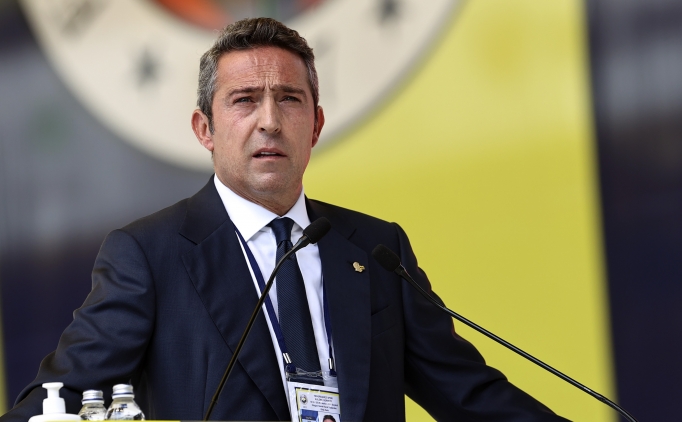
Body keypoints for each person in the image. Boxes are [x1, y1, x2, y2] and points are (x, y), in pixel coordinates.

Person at [1, 18, 568, 421]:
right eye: (245, 100)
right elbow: (59, 400)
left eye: (290, 99)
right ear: (205, 129)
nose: (269, 121)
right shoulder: (151, 255)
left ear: (315, 125)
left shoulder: (376, 249)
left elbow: (469, 395)